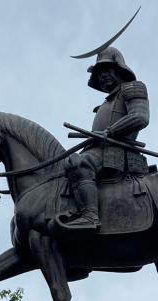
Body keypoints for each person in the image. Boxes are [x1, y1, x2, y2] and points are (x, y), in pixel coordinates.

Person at [63, 46, 150, 231]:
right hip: (97, 149)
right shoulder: (106, 102)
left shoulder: (133, 88)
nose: (102, 76)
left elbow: (140, 117)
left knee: (80, 163)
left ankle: (90, 216)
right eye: (99, 73)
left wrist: (110, 132)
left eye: (106, 70)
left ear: (119, 69)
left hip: (117, 151)